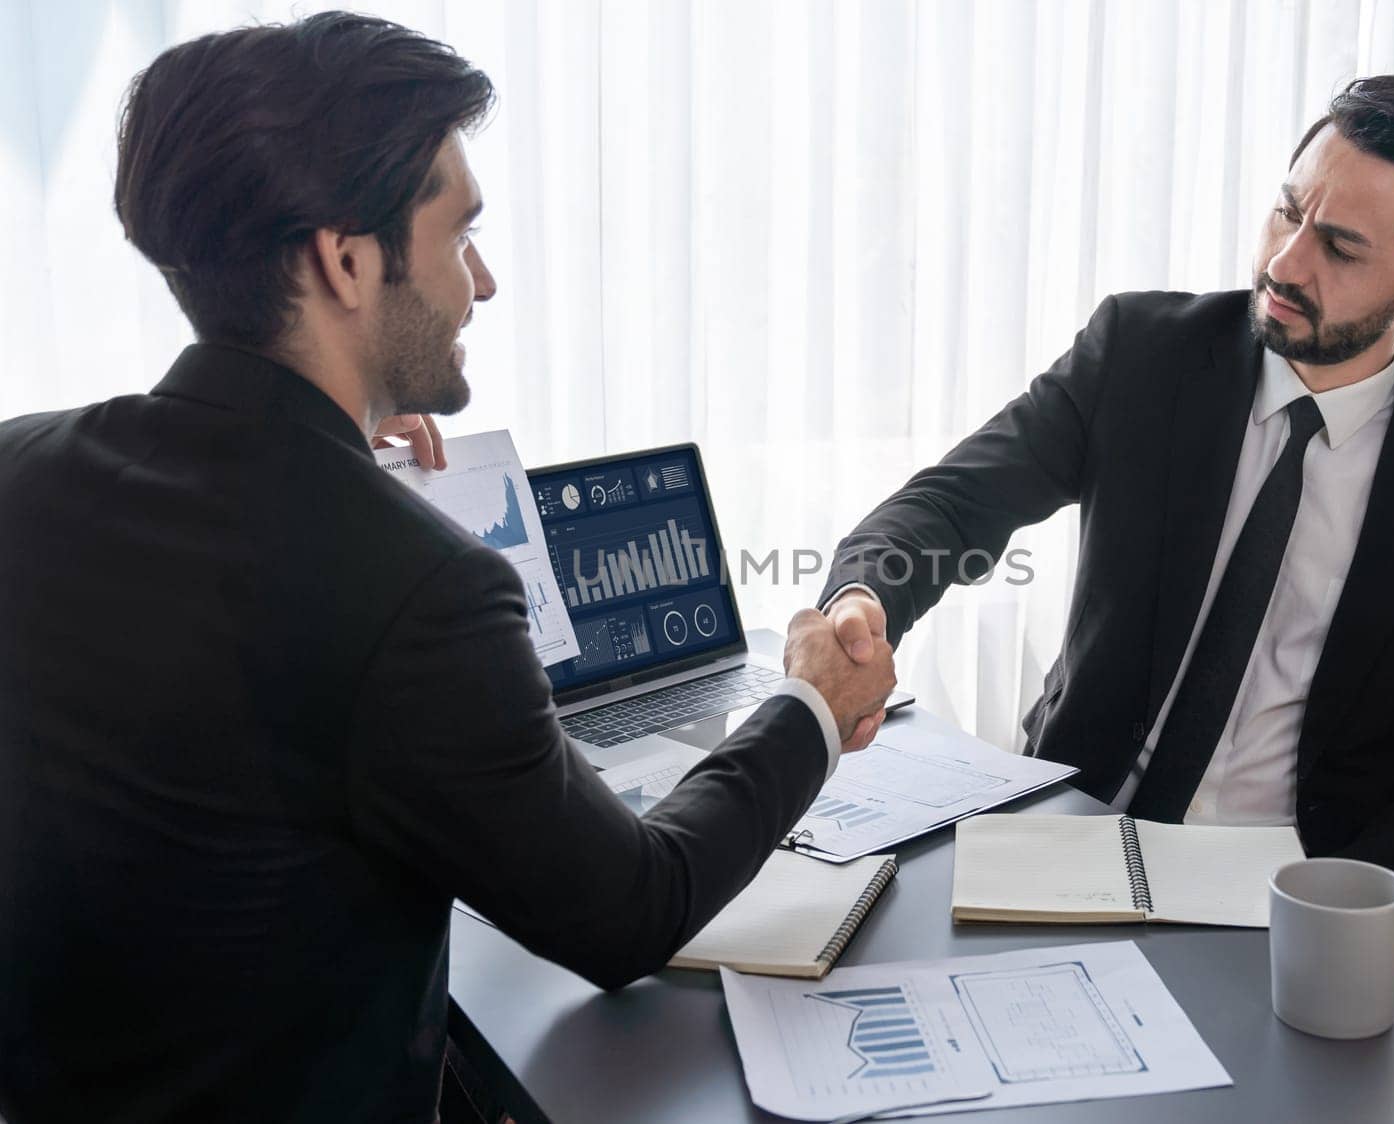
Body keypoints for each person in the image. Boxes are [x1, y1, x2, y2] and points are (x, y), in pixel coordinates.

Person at [0, 13, 894, 1122]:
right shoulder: (421, 584)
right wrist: (808, 701)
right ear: (346, 258)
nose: (483, 279)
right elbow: (627, 910)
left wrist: (338, 439)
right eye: (459, 233)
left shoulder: (22, 466)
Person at [820, 74, 1394, 978]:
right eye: (1287, 214)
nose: (1287, 264)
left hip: (1300, 889)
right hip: (1080, 841)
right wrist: (863, 604)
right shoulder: (1142, 354)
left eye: (1339, 247)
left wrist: (1349, 909)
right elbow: (951, 507)